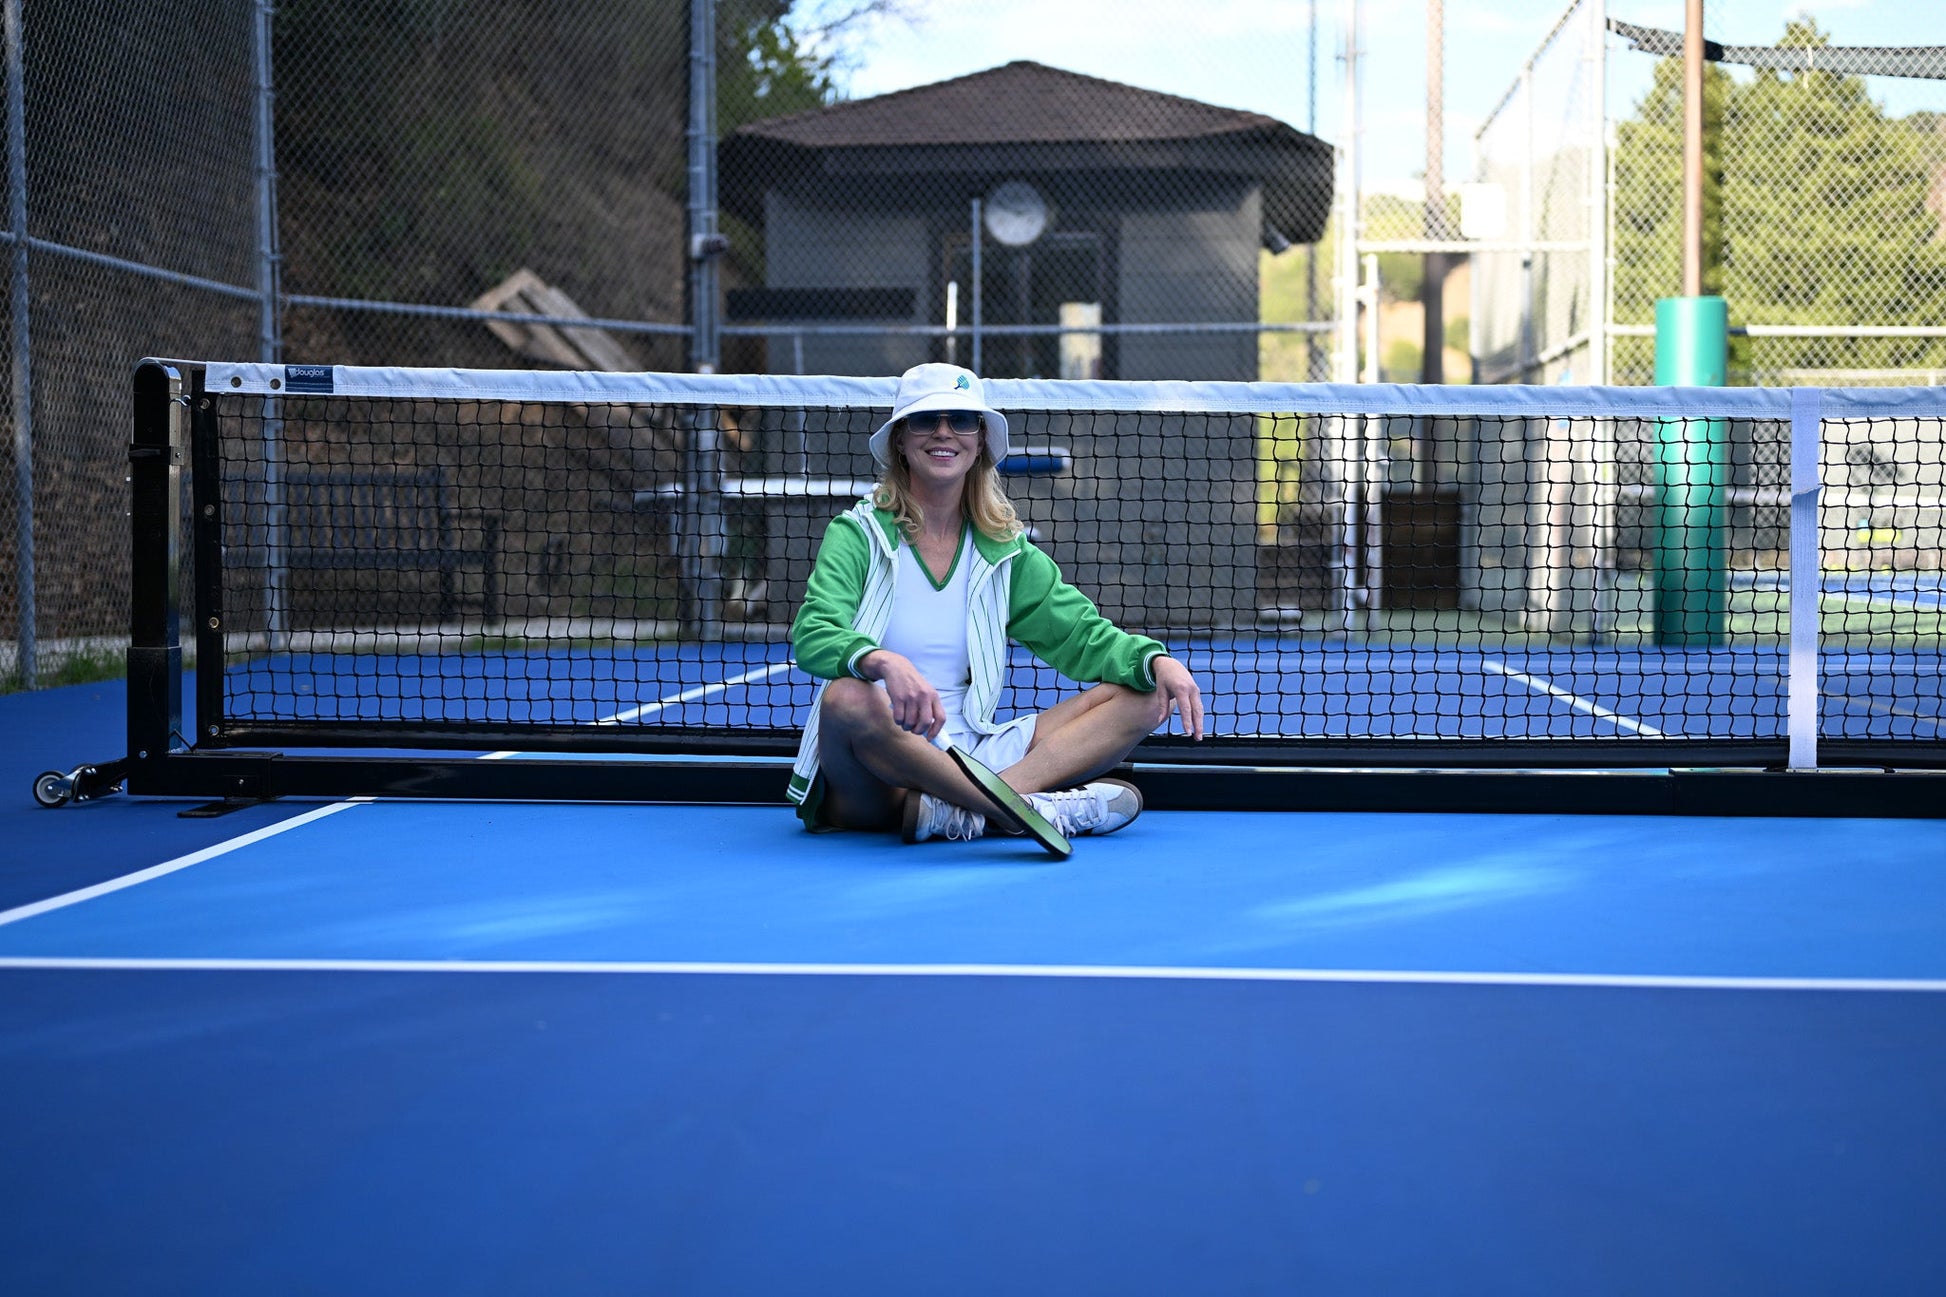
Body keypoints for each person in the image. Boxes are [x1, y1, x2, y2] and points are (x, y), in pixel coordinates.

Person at [787, 362, 1205, 843]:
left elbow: (1080, 636)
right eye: (925, 420)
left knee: (1147, 694)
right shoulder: (857, 534)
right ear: (900, 439)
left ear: (981, 439)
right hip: (875, 777)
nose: (944, 432)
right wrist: (882, 662)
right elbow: (814, 633)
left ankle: (969, 811)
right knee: (847, 697)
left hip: (973, 752)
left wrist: (1155, 659)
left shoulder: (1005, 552)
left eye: (962, 420)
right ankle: (1021, 809)